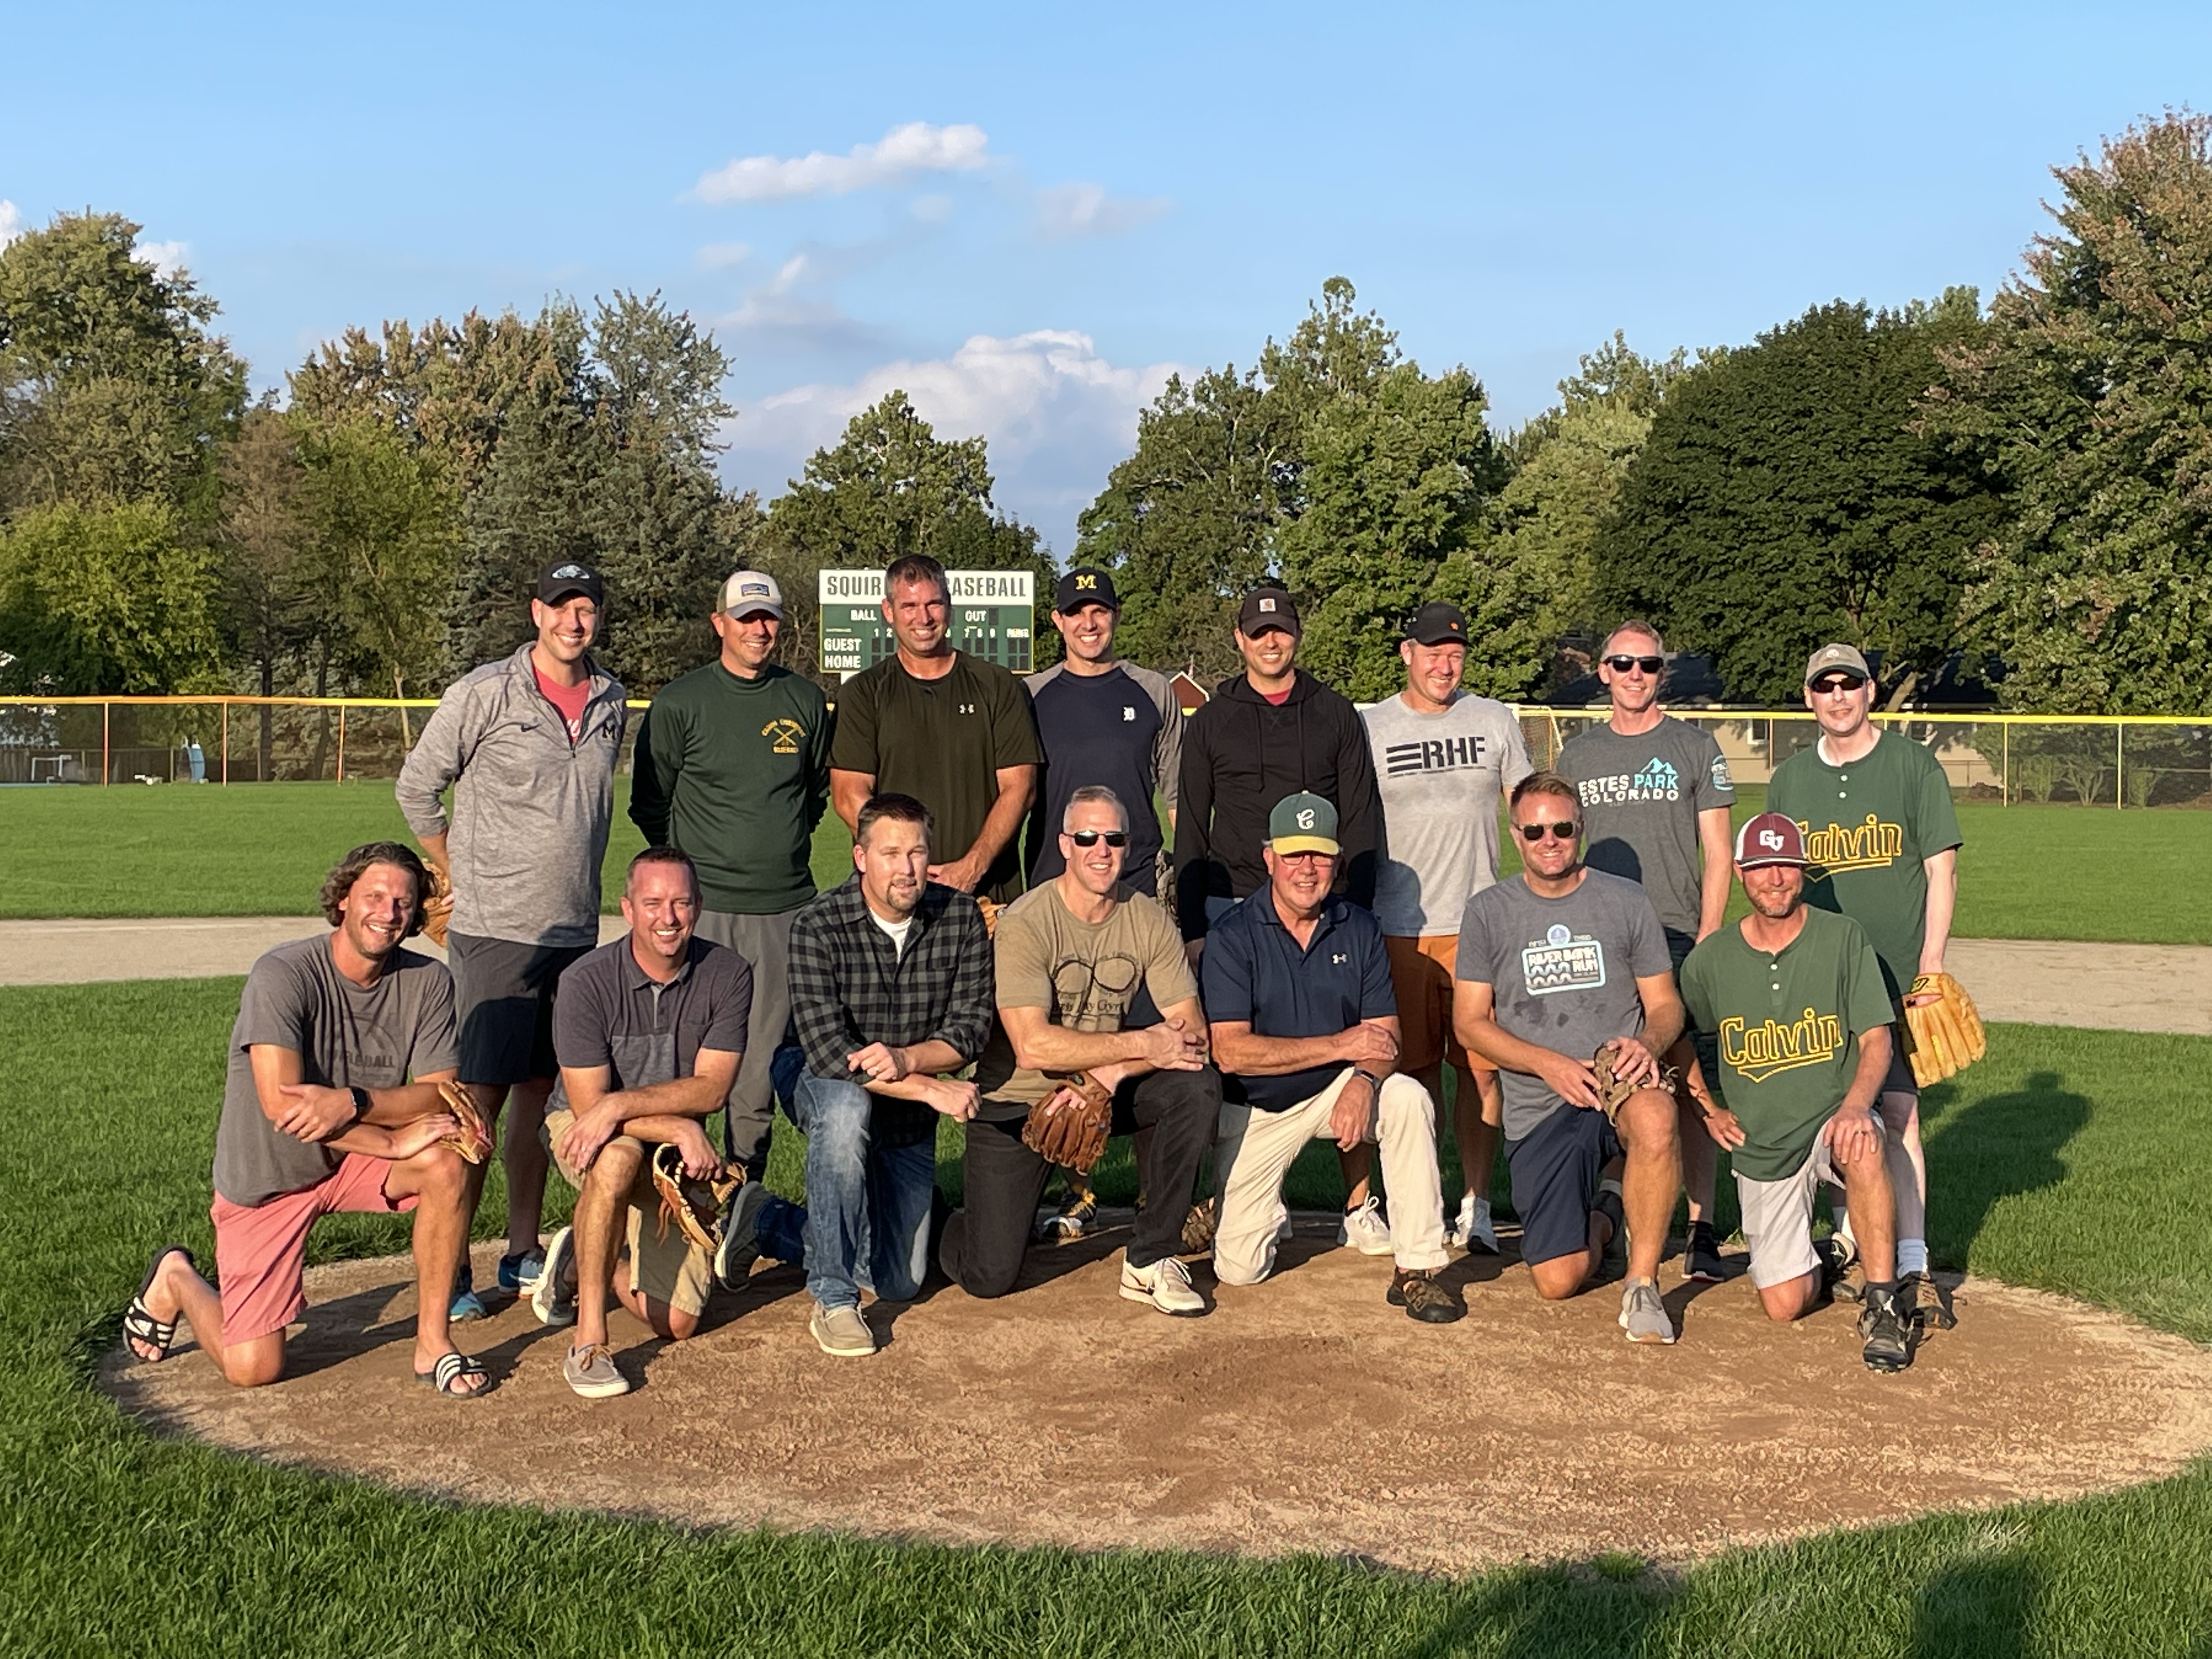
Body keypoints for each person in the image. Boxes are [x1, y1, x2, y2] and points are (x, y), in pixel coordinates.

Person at [119, 844, 488, 1396]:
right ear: (342, 901)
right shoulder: (283, 973)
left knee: (446, 1161)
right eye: (374, 897)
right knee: (253, 1368)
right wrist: (390, 1143)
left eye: (403, 902)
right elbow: (283, 1107)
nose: (388, 913)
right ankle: (176, 1279)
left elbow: (441, 1095)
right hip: (271, 1177)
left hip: (351, 1154)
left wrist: (353, 1102)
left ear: (417, 913)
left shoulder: (428, 981)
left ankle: (434, 1343)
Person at [396, 560, 628, 1313]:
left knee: (539, 1093)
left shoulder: (613, 699)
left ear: (598, 617)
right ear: (536, 612)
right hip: (495, 930)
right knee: (477, 1102)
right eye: (560, 607)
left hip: (574, 930)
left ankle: (520, 1250)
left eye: (585, 608)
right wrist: (455, 869)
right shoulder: (485, 692)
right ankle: (453, 1266)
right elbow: (415, 787)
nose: (573, 621)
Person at [943, 786, 1221, 1314]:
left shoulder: (1148, 918)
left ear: (1129, 846)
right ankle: (941, 1221)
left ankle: (1150, 1257)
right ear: (1065, 844)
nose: (1101, 850)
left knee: (1194, 1084)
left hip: (1101, 1091)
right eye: (1088, 837)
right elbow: (1032, 1046)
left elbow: (1193, 1035)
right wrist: (1142, 1043)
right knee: (989, 1274)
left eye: (1113, 838)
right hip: (1018, 1101)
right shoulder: (1027, 921)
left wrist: (1110, 1074)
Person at [1175, 585, 1387, 1253]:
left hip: (1322, 904)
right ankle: (1248, 1193)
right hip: (1232, 904)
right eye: (1258, 631)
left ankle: (1358, 1203)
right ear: (1239, 639)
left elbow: (1362, 819)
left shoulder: (1334, 713)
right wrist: (1194, 926)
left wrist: (1358, 915)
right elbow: (1191, 827)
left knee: (1348, 1044)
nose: (1271, 641)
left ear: (1298, 635)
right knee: (1235, 1058)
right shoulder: (1212, 720)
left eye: (1282, 630)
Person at [1202, 793, 1462, 1324]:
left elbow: (1386, 1036)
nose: (1307, 869)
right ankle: (1247, 1208)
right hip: (1260, 1109)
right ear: (1269, 858)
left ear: (1338, 861)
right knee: (1239, 1269)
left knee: (1407, 1098)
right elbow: (1230, 1051)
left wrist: (1364, 1080)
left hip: (1340, 1088)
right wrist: (1344, 1047)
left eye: (1320, 855)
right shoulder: (1232, 934)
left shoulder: (1359, 926)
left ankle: (1417, 1267)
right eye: (1294, 855)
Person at [752, 793, 994, 1358]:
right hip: (817, 1074)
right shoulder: (818, 924)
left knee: (900, 1280)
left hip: (906, 1102)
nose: (906, 868)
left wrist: (908, 1062)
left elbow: (970, 1030)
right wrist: (929, 1086)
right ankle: (834, 1299)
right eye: (891, 853)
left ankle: (767, 1222)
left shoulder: (961, 918)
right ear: (861, 858)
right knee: (845, 1111)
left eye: (917, 852)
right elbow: (829, 1053)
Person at [1677, 814, 1916, 1370]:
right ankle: (1828, 1259)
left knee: (1864, 1141)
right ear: (1741, 873)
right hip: (1763, 1144)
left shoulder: (1842, 937)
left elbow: (1877, 1040)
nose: (1776, 878)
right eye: (1762, 867)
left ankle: (1884, 1303)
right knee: (1784, 1305)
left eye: (1786, 865)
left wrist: (1856, 1106)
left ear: (1803, 870)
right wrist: (1707, 1108)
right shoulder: (1712, 959)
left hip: (1833, 1119)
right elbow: (1680, 1036)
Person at [1454, 773, 1685, 1344]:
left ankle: (1642, 1285)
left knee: (1656, 1118)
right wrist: (1547, 1064)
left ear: (1581, 827)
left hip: (1615, 1076)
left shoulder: (1625, 900)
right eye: (1535, 831)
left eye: (1562, 828)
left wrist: (1647, 1045)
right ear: (1515, 835)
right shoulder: (1488, 912)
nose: (1549, 841)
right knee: (1558, 1279)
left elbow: (1665, 1005)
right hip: (1542, 1100)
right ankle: (1607, 1213)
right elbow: (1470, 1023)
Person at [1765, 642, 1962, 1308]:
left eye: (1849, 684)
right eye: (1825, 686)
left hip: (1896, 973)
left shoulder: (1912, 765)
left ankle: (1913, 1260)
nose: (1838, 696)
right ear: (1809, 699)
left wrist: (1931, 965)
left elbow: (1940, 869)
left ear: (1870, 691)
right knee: (1831, 1109)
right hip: (1819, 975)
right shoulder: (1791, 779)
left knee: (1900, 1113)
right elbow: (1777, 882)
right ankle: (1850, 1237)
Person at [529, 848, 758, 1398]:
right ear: (628, 909)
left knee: (677, 1323)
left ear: (699, 906)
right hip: (583, 1127)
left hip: (666, 1150)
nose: (668, 917)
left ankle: (585, 1256)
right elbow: (589, 1107)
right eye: (653, 903)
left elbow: (713, 1088)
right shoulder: (585, 981)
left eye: (681, 902)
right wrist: (676, 1126)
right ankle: (589, 1342)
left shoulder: (728, 973)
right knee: (617, 1159)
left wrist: (622, 1107)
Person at [629, 569, 832, 1180]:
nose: (758, 629)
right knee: (682, 1051)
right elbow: (651, 803)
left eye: (768, 617)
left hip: (782, 908)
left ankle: (744, 1189)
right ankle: (672, 1186)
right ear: (719, 623)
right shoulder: (681, 702)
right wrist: (689, 877)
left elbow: (814, 795)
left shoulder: (804, 700)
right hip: (702, 910)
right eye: (746, 618)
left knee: (757, 1064)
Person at [1555, 619, 1735, 1283]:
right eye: (1623, 664)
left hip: (1677, 933)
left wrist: (1710, 934)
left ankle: (1701, 1224)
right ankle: (1614, 1198)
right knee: (1610, 1073)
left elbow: (1719, 850)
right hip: (1604, 941)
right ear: (1603, 671)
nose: (1636, 675)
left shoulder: (1694, 746)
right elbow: (1563, 851)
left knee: (1690, 1082)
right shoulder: (1578, 756)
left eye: (1649, 665)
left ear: (1664, 672)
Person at [1360, 600, 1533, 1256]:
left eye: (1456, 654)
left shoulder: (1493, 719)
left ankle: (1477, 1204)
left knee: (1482, 1073)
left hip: (1478, 925)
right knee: (1416, 1075)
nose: (1445, 665)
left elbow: (1528, 812)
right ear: (1407, 653)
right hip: (1398, 926)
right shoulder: (1372, 725)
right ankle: (1423, 1203)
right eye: (1433, 653)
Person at [1020, 565, 1186, 1241]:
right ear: (1057, 621)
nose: (1089, 623)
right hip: (1055, 892)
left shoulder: (1152, 692)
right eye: (1076, 612)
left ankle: (1155, 1196)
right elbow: (1017, 793)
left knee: (1151, 1037)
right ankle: (1078, 1190)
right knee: (1069, 1041)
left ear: (1116, 616)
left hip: (1137, 886)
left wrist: (1184, 882)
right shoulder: (1031, 695)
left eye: (1100, 610)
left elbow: (1176, 797)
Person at [828, 554, 1042, 904]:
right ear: (888, 611)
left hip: (986, 894)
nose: (923, 618)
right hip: (894, 895)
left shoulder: (997, 685)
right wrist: (905, 866)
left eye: (934, 604)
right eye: (909, 606)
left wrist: (972, 867)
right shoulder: (864, 693)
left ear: (950, 607)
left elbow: (1020, 787)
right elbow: (849, 794)